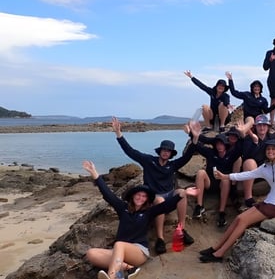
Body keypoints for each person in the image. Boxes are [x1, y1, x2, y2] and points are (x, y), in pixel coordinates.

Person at [198, 139, 275, 263]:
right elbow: (247, 174)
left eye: (273, 149)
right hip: (268, 202)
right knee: (238, 218)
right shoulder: (265, 167)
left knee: (243, 221)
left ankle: (220, 253)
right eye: (268, 149)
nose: (270, 151)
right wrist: (226, 176)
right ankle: (216, 247)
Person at [83, 160, 198, 279]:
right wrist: (94, 173)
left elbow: (166, 206)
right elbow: (108, 195)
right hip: (120, 251)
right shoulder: (123, 208)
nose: (140, 198)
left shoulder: (148, 212)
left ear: (147, 200)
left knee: (119, 244)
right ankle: (129, 268)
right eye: (138, 195)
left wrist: (183, 193)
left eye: (144, 196)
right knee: (91, 254)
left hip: (139, 252)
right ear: (133, 196)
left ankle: (113, 276)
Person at [111, 117, 196, 254]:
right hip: (154, 198)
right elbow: (130, 151)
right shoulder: (149, 161)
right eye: (164, 150)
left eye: (168, 151)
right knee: (159, 200)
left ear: (171, 154)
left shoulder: (172, 165)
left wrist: (194, 137)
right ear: (160, 151)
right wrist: (119, 134)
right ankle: (160, 239)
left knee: (182, 192)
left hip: (169, 195)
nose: (166, 152)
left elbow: (188, 156)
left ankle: (181, 229)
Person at [191, 131, 242, 227]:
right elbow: (196, 146)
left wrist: (242, 133)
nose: (219, 146)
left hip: (223, 185)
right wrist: (192, 133)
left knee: (225, 180)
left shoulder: (231, 155)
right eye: (217, 144)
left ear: (225, 144)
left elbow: (241, 148)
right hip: (210, 183)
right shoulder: (210, 153)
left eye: (221, 144)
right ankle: (199, 206)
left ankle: (222, 212)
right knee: (200, 173)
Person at [238, 114, 275, 209]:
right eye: (259, 125)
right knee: (250, 162)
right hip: (252, 172)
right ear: (255, 127)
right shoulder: (248, 139)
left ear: (268, 126)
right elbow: (246, 155)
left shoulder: (272, 138)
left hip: (267, 171)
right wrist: (255, 143)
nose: (262, 127)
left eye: (264, 125)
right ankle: (248, 197)